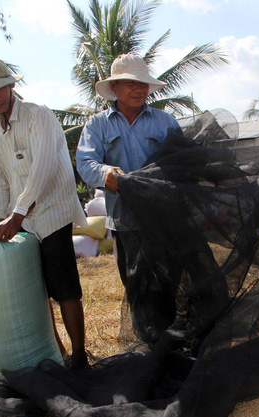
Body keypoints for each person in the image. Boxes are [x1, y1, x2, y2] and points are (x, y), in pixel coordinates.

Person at [0, 57, 89, 367]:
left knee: (65, 289)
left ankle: (80, 355)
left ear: (11, 85)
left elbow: (43, 169)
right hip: (21, 221)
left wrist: (16, 215)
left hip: (52, 213)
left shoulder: (37, 115)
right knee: (36, 292)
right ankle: (57, 354)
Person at [76, 54, 183, 286]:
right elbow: (85, 162)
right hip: (125, 222)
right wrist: (105, 173)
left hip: (164, 217)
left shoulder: (165, 121)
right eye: (131, 83)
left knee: (171, 282)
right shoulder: (98, 125)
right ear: (114, 86)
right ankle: (143, 323)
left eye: (143, 84)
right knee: (136, 286)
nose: (138, 89)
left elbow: (183, 160)